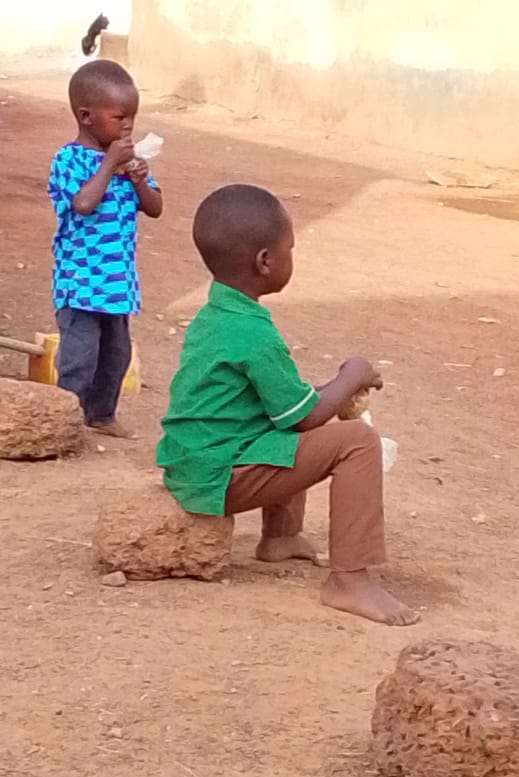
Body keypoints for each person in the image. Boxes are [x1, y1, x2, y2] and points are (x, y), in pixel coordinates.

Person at [156, 184, 419, 626]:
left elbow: (288, 406)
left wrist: (332, 390)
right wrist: (352, 375)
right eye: (290, 248)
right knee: (356, 441)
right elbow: (305, 416)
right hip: (218, 476)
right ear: (265, 261)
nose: (292, 255)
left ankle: (281, 538)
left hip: (198, 461)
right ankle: (349, 580)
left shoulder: (216, 315)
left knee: (289, 421)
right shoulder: (255, 334)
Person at [48, 59, 163, 438]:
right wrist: (110, 165)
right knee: (79, 358)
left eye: (133, 117)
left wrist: (139, 179)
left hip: (117, 285)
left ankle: (101, 414)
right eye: (120, 117)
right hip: (80, 285)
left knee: (116, 356)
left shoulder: (130, 163)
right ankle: (65, 420)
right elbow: (83, 204)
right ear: (87, 116)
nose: (128, 126)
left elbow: (155, 208)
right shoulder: (69, 160)